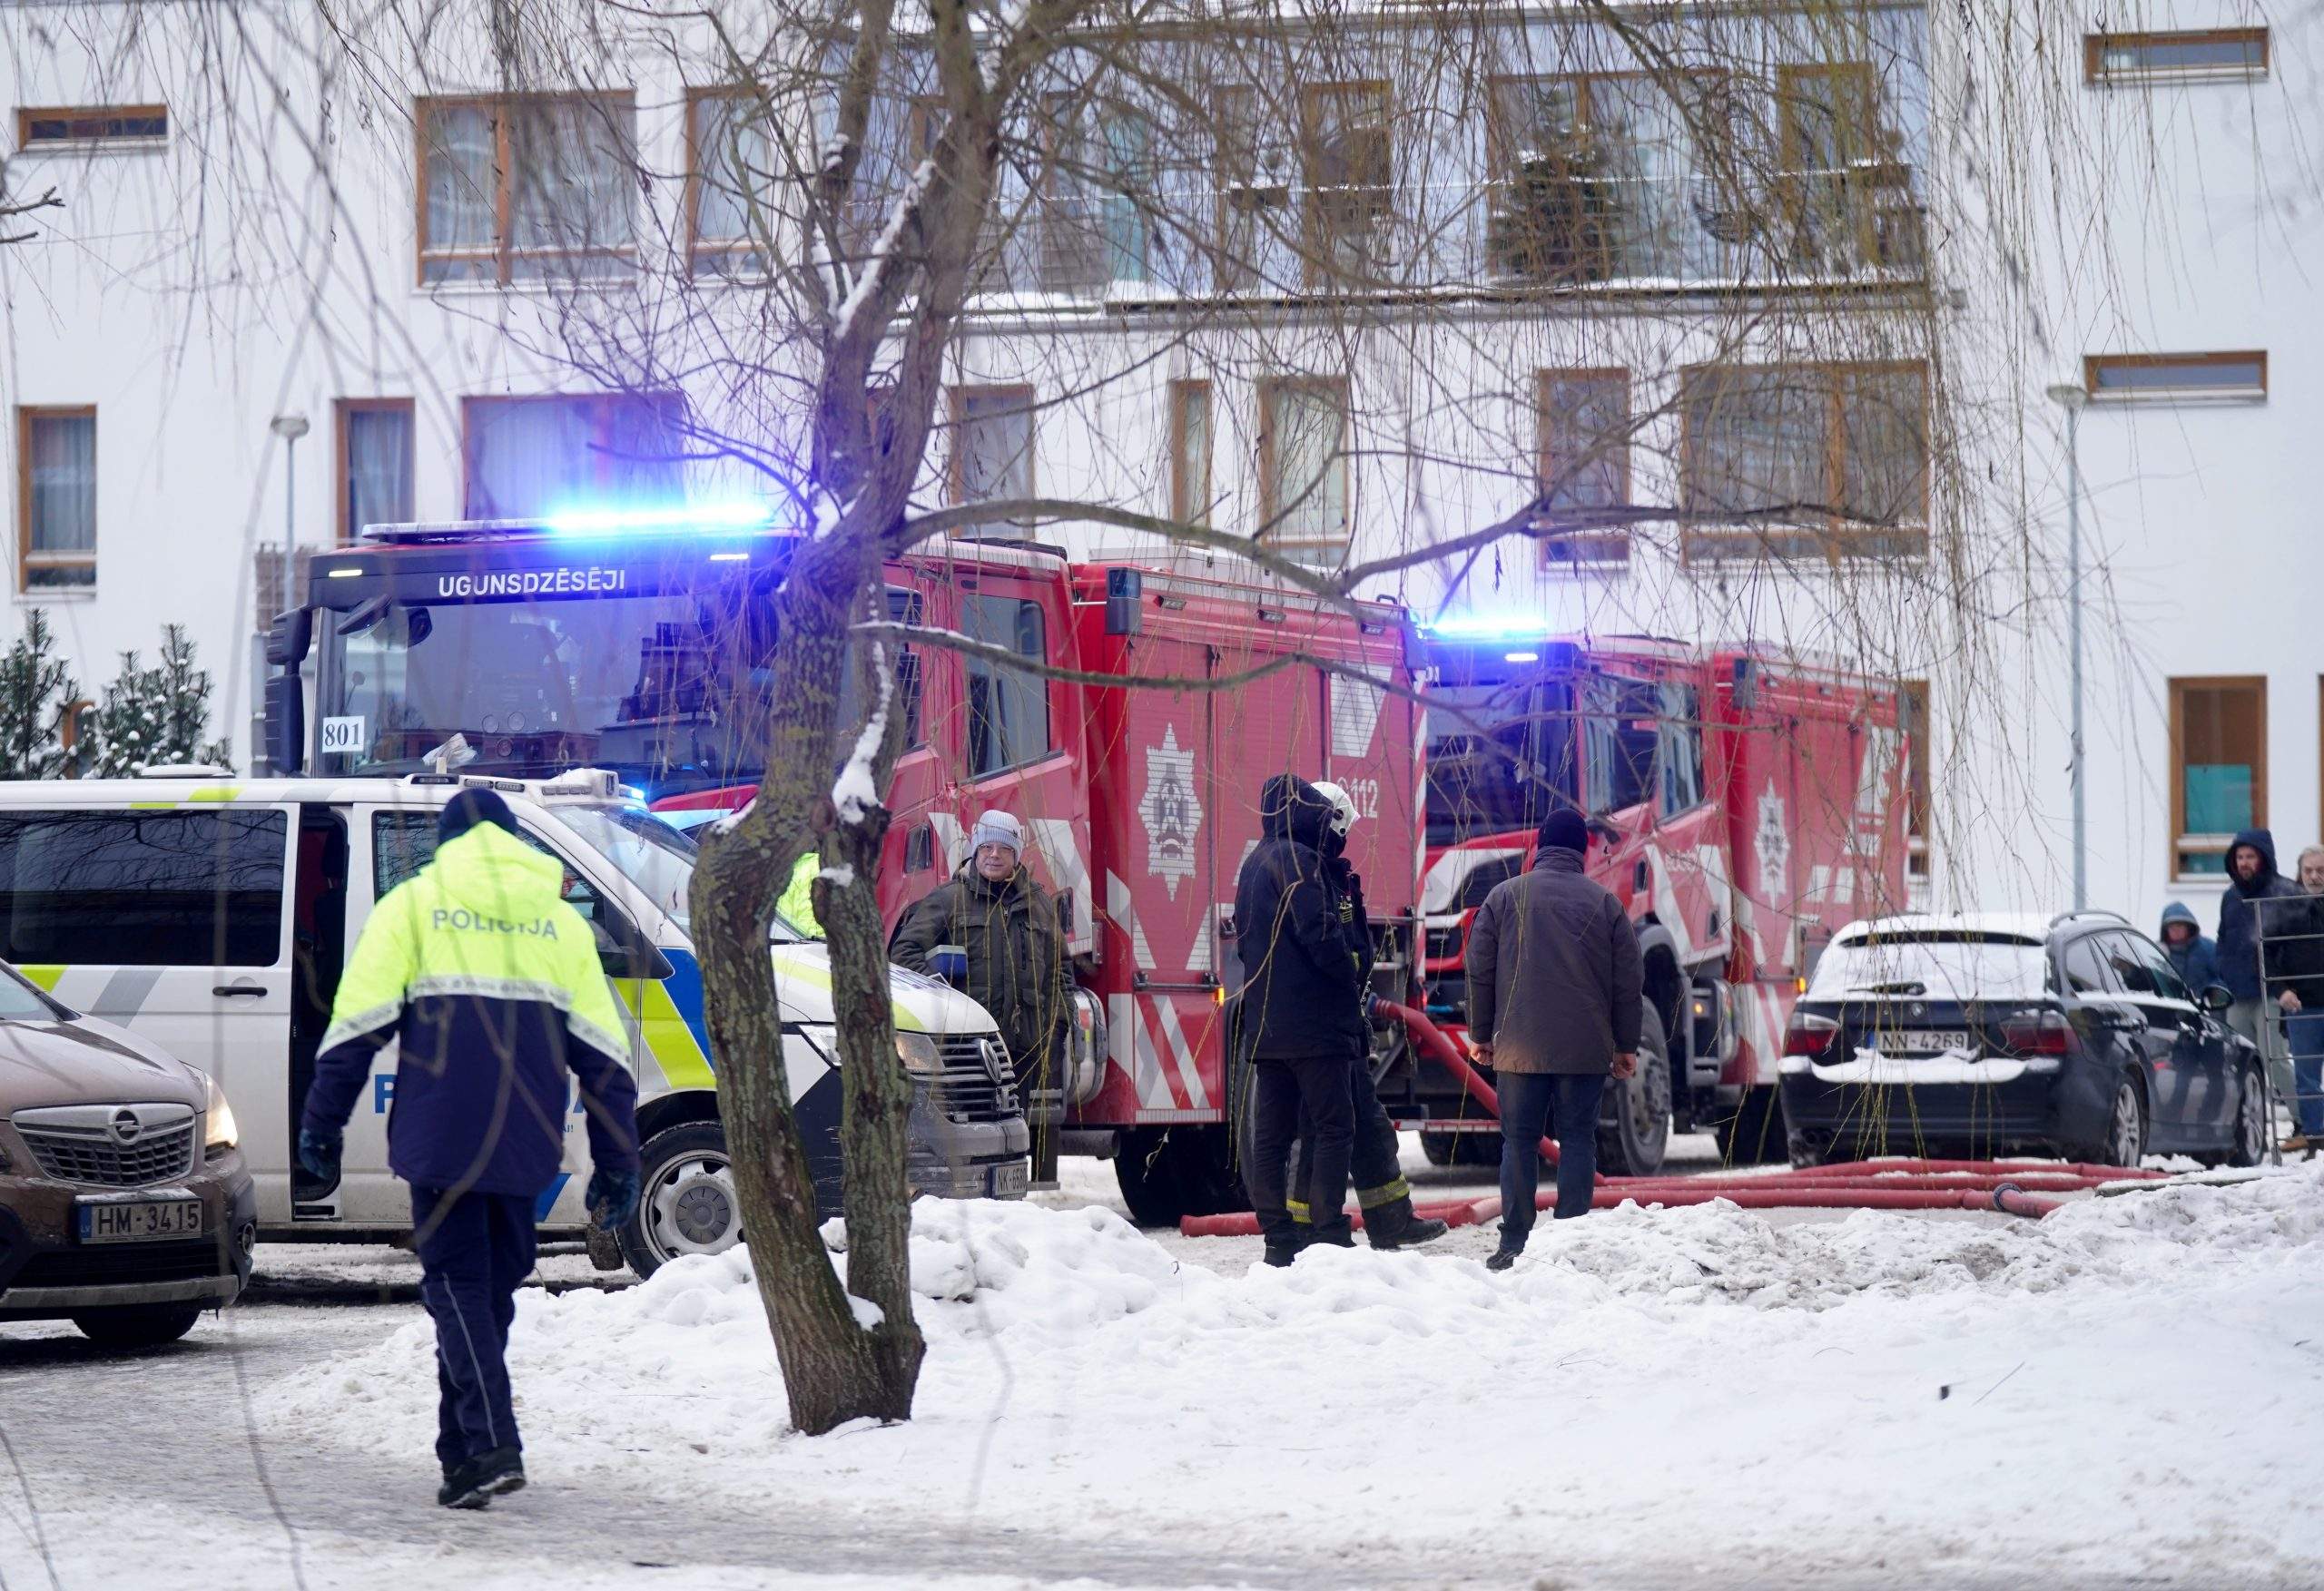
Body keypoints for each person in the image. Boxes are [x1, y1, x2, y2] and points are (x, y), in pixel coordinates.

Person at [298, 789, 641, 1510]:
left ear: (447, 843)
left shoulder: (414, 905)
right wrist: (619, 1161)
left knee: (458, 1291)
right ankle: (461, 1460)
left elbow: (356, 1027)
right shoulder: (561, 922)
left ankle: (489, 1442)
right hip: (525, 1142)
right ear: (516, 842)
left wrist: (322, 1124)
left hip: (441, 1137)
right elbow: (607, 1060)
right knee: (485, 1299)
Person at [1464, 808, 1641, 1272]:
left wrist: (1481, 1035)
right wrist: (1626, 1045)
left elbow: (1480, 970)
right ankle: (1571, 1240)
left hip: (1518, 1049)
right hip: (1585, 1051)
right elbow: (1627, 981)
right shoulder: (1606, 905)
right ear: (1583, 849)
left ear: (1539, 846)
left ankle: (1514, 1243)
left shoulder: (1503, 898)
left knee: (1519, 1142)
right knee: (1578, 1140)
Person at [1282, 781, 1448, 1252]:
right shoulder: (1313, 874)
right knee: (1321, 1129)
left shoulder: (1332, 873)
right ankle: (1311, 1228)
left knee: (1369, 1125)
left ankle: (1391, 1218)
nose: (1346, 837)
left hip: (1344, 1024)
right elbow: (1330, 949)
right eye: (1344, 827)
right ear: (1330, 822)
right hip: (1327, 1028)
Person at [890, 810, 1071, 1178]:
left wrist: (1060, 1025)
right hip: (968, 1048)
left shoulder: (1039, 904)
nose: (993, 855)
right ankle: (973, 1197)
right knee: (974, 1132)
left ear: (1017, 854)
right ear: (974, 849)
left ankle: (1019, 1199)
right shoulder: (947, 900)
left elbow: (1061, 972)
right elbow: (902, 954)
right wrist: (942, 992)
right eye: (985, 846)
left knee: (1020, 1134)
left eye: (1003, 848)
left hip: (1026, 1047)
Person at [1233, 774, 1366, 1265]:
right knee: (1334, 1127)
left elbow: (1245, 941)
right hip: (1315, 1026)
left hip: (1266, 1027)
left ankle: (1278, 1237)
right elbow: (1322, 935)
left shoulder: (1253, 863)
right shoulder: (1300, 860)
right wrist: (1349, 972)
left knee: (1272, 1134)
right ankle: (1330, 1231)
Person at [2216, 830, 2301, 1118]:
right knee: (2240, 1063)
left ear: (2263, 858)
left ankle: (2310, 1123)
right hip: (2238, 994)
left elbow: (2296, 945)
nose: (2244, 863)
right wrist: (2225, 973)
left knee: (2274, 1059)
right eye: (2239, 857)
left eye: (2250, 856)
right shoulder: (2230, 897)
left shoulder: (2285, 892)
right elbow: (2223, 940)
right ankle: (2248, 1126)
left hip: (2273, 992)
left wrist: (2284, 982)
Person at [2262, 849, 2324, 1153]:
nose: (2315, 876)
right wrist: (2282, 991)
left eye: (2321, 870)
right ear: (2299, 873)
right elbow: (2267, 954)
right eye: (2309, 870)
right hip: (2303, 1007)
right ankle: (2316, 1141)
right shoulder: (2286, 911)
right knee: (2307, 1080)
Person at [2157, 901, 2221, 997]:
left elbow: (2224, 976)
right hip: (2171, 1007)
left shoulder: (2207, 948)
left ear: (2189, 927)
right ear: (2166, 930)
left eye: (2180, 926)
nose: (2176, 931)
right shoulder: (2159, 952)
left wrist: (2211, 993)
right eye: (2172, 927)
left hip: (2206, 1007)